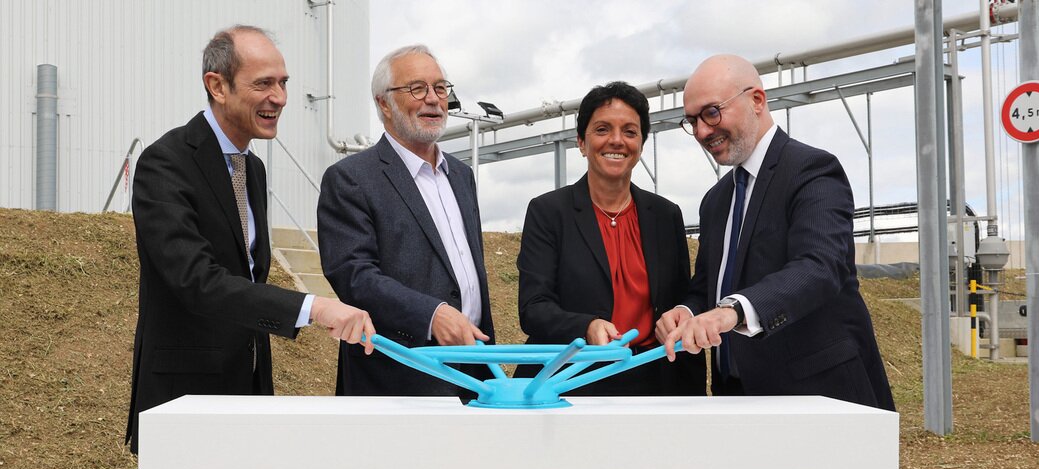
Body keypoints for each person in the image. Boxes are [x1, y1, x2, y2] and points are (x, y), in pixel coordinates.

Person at [126, 25, 374, 454]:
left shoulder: (251, 169)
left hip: (249, 388)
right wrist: (311, 307)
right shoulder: (164, 163)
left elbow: (247, 276)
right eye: (263, 83)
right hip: (184, 398)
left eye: (283, 83)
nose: (279, 97)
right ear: (216, 86)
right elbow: (196, 279)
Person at [657, 54, 894, 411]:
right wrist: (687, 311)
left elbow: (819, 267)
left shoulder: (812, 170)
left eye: (712, 112)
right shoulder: (716, 201)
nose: (703, 131)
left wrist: (732, 312)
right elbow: (709, 285)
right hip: (736, 397)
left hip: (817, 395)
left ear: (756, 100)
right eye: (693, 121)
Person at [317, 45, 493, 396]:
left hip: (474, 372)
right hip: (399, 375)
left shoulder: (461, 175)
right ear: (384, 103)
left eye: (441, 88)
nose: (434, 99)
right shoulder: (351, 178)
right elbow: (354, 275)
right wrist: (432, 314)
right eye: (417, 88)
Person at [514, 81, 707, 395]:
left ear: (641, 144)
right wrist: (586, 327)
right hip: (574, 381)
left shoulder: (666, 215)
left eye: (630, 132)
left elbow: (680, 300)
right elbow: (533, 309)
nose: (617, 141)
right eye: (602, 129)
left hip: (656, 380)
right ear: (581, 142)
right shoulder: (548, 212)